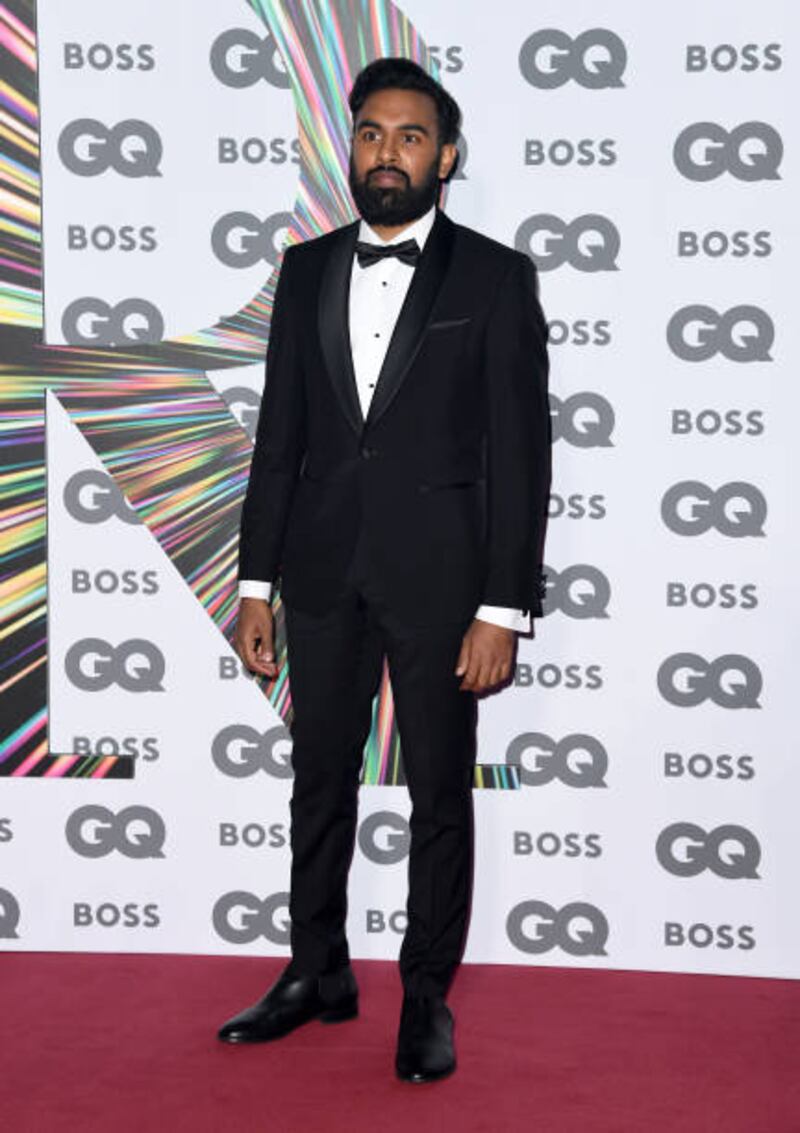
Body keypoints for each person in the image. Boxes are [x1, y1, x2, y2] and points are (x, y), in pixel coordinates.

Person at [218, 56, 550, 1083]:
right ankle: (315, 970)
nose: (387, 153)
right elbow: (279, 434)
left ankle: (424, 997)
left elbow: (520, 451)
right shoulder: (307, 268)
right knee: (317, 783)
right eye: (370, 133)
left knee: (438, 793)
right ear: (349, 147)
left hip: (443, 586)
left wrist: (502, 604)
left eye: (410, 136)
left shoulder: (495, 276)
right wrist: (255, 581)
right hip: (317, 575)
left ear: (445, 156)